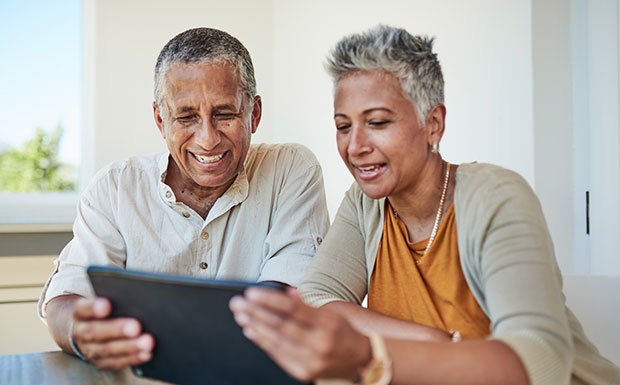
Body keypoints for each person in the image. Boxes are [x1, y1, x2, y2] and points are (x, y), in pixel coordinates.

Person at [230, 25, 620, 385]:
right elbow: (317, 300)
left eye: (378, 122)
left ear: (433, 124)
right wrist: (431, 340)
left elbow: (541, 361)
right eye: (343, 126)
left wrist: (371, 352)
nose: (355, 146)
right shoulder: (366, 205)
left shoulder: (496, 197)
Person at [38, 27, 329, 371]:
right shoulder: (115, 188)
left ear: (254, 113)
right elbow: (65, 299)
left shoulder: (291, 170)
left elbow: (284, 302)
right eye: (186, 117)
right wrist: (79, 331)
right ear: (161, 120)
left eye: (225, 114)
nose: (207, 139)